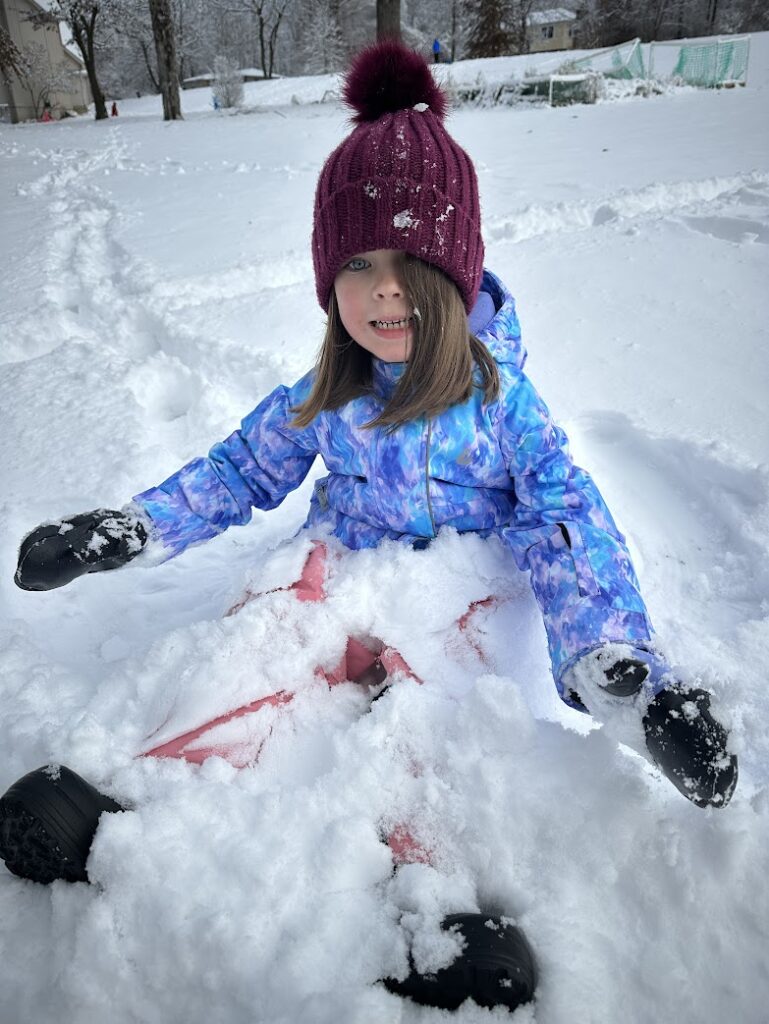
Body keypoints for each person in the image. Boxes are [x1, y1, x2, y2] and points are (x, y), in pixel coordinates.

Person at [2, 42, 737, 891]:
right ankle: (127, 793)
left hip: (462, 585)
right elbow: (238, 471)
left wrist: (621, 676)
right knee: (261, 639)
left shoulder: (503, 404)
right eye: (357, 265)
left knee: (438, 708)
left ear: (455, 275)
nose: (383, 291)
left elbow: (570, 527)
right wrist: (134, 528)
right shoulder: (330, 389)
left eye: (410, 264)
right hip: (341, 563)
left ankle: (436, 901)